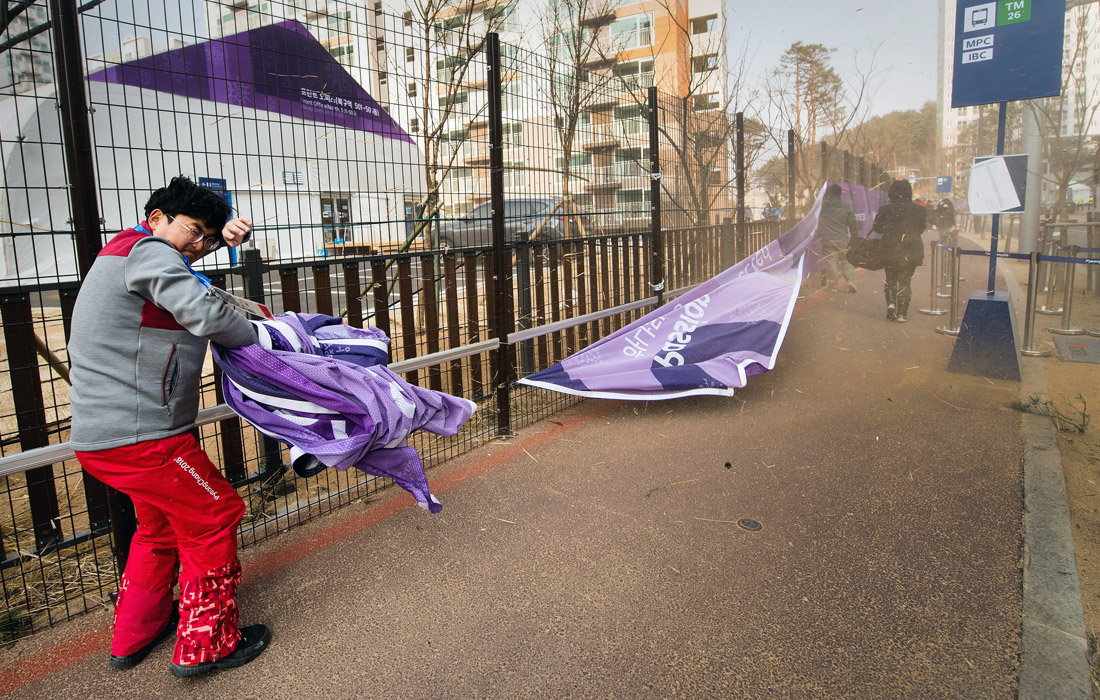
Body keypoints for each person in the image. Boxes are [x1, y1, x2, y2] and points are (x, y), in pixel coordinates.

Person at [67, 176, 270, 677]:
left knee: (157, 527)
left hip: (108, 438)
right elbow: (201, 308)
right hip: (145, 439)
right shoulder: (151, 252)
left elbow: (179, 270)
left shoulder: (128, 251)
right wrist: (263, 336)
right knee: (215, 514)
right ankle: (208, 644)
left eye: (207, 237)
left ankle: (134, 633)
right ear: (156, 218)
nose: (198, 246)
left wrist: (214, 240)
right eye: (194, 232)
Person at [871, 179, 928, 322]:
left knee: (890, 279)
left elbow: (877, 228)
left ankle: (891, 304)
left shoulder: (886, 209)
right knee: (905, 281)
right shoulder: (919, 209)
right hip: (911, 249)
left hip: (890, 249)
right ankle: (902, 313)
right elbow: (921, 228)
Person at [815, 183, 859, 293]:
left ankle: (833, 285)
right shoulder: (847, 207)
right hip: (842, 238)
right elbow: (853, 224)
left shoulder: (823, 207)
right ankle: (850, 280)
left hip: (827, 239)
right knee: (845, 260)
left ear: (829, 194)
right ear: (840, 194)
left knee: (830, 261)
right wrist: (854, 237)